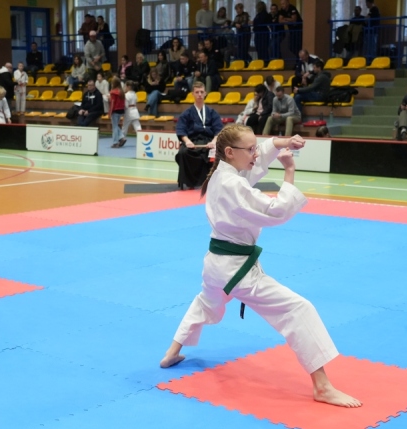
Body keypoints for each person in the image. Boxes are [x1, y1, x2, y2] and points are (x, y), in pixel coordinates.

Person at [160, 124, 362, 409]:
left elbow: (254, 165)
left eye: (256, 147)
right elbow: (275, 211)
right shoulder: (232, 184)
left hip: (216, 266)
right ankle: (322, 386)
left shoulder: (224, 173)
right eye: (250, 149)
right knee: (298, 309)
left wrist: (282, 142)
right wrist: (289, 171)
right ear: (230, 152)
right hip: (237, 272)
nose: (256, 153)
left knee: (206, 302)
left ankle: (172, 352)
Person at [175, 81, 223, 189]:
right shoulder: (187, 113)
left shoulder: (212, 112)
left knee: (217, 154)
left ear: (205, 93)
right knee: (183, 153)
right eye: (197, 92)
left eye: (201, 92)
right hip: (193, 141)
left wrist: (214, 142)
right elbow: (181, 129)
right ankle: (189, 182)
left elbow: (218, 130)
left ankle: (211, 181)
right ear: (193, 94)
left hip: (209, 141)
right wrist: (187, 141)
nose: (200, 94)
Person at [108, 77, 126, 148]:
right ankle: (121, 137)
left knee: (114, 127)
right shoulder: (121, 92)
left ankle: (115, 142)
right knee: (116, 125)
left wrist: (110, 112)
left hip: (115, 110)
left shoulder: (113, 92)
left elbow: (112, 103)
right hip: (121, 110)